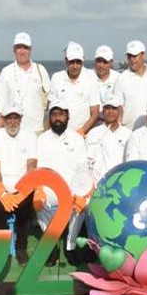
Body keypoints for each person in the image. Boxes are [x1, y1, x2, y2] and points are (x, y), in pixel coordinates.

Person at [35, 99, 91, 266]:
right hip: (50, 188)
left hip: (71, 188)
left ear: (67, 116)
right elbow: (38, 168)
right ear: (49, 117)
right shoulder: (41, 139)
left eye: (61, 114)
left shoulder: (78, 139)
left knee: (82, 203)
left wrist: (82, 193)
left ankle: (70, 246)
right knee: (41, 202)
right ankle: (50, 246)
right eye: (54, 114)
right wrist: (39, 189)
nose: (57, 118)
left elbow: (83, 169)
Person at [0, 102, 38, 265]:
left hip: (22, 185)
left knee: (25, 208)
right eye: (9, 118)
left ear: (21, 119)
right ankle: (0, 250)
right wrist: (1, 191)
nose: (12, 121)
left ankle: (21, 248)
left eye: (16, 117)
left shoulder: (30, 135)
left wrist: (23, 192)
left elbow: (31, 165)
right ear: (4, 119)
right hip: (2, 184)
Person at [0, 32, 50, 135]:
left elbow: (50, 100)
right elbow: (1, 104)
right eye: (19, 48)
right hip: (12, 131)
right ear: (14, 50)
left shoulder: (40, 70)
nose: (22, 51)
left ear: (30, 50)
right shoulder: (6, 72)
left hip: (37, 130)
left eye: (25, 48)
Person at [48, 42, 100, 137]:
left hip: (84, 135)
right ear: (66, 61)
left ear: (82, 61)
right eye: (72, 62)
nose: (75, 66)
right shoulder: (56, 78)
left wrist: (82, 131)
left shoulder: (91, 78)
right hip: (60, 134)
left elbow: (95, 113)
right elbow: (51, 111)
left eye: (78, 62)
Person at [113, 40, 147, 130]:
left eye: (135, 56)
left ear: (143, 55)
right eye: (129, 56)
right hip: (128, 131)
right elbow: (117, 107)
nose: (132, 59)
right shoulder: (121, 79)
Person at [85, 94, 131, 183]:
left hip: (120, 184)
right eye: (107, 108)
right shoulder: (93, 133)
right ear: (103, 111)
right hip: (97, 184)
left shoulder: (128, 134)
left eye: (114, 108)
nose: (110, 112)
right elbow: (87, 162)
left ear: (119, 111)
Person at [92, 45, 119, 109]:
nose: (101, 65)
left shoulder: (118, 79)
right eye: (99, 61)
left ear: (111, 63)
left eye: (105, 62)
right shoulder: (88, 76)